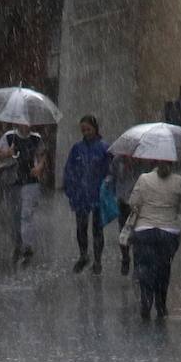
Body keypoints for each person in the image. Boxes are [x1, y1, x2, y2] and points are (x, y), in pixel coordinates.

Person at [128, 160, 181, 320]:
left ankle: (146, 301)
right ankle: (161, 305)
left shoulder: (143, 179)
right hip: (168, 233)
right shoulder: (179, 181)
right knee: (163, 268)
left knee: (145, 267)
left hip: (144, 231)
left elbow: (133, 203)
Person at [63, 115, 112, 274]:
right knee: (81, 227)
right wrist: (70, 189)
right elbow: (69, 169)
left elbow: (110, 170)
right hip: (81, 194)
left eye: (88, 129)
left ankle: (97, 260)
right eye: (83, 130)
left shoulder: (104, 148)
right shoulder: (77, 148)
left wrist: (108, 188)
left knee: (97, 229)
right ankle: (83, 255)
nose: (86, 133)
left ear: (95, 128)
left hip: (98, 194)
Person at [0, 122, 46, 265]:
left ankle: (27, 247)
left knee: (26, 215)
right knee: (15, 217)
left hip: (31, 181)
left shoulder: (36, 138)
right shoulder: (9, 137)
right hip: (13, 181)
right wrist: (7, 153)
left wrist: (39, 167)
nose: (25, 124)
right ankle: (17, 244)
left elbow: (42, 156)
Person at [110, 154, 142, 275]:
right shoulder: (117, 160)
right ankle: (125, 257)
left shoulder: (142, 161)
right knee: (123, 232)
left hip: (137, 202)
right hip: (122, 201)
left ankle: (137, 265)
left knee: (137, 234)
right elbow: (112, 176)